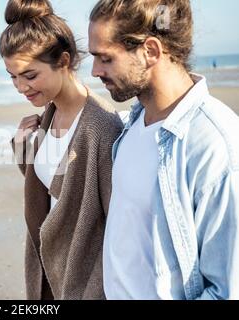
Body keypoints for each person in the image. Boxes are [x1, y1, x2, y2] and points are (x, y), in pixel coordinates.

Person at [88, 0, 239, 299]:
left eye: (104, 58)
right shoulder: (133, 124)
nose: (94, 71)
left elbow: (227, 291)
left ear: (151, 51)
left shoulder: (214, 144)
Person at [0, 0, 123, 299]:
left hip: (82, 282)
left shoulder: (102, 129)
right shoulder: (49, 113)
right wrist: (22, 148)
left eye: (29, 76)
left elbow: (118, 231)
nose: (20, 87)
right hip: (46, 268)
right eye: (13, 76)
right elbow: (51, 186)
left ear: (64, 61)